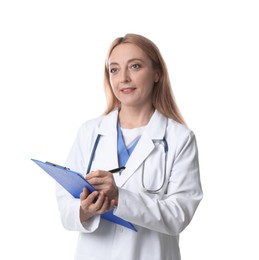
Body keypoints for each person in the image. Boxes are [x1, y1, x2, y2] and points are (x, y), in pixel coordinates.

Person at [56, 33, 203, 260]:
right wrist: (84, 210)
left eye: (135, 66)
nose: (123, 77)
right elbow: (65, 205)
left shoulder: (179, 138)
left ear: (157, 73)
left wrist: (120, 197)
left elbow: (179, 215)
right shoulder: (90, 132)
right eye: (114, 69)